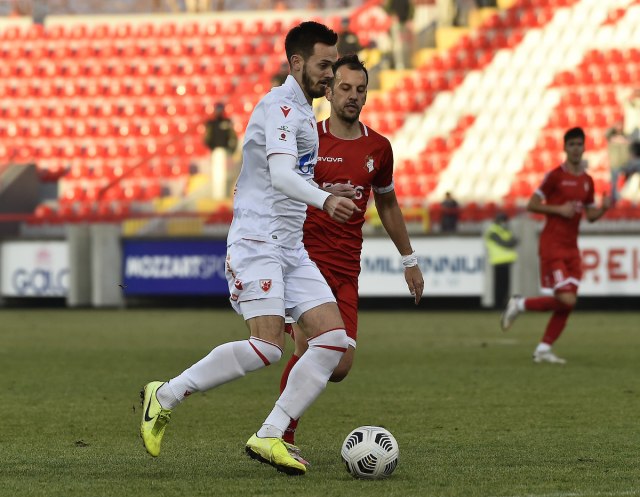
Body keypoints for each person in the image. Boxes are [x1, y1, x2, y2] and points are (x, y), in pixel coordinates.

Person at [140, 21, 360, 477]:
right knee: (268, 346)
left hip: (291, 246)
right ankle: (164, 395)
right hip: (257, 240)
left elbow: (288, 174)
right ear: (296, 62)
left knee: (333, 340)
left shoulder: (302, 115)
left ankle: (270, 434)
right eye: (323, 65)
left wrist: (323, 184)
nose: (329, 74)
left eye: (332, 64)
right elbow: (279, 176)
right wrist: (325, 199)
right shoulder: (278, 108)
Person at [278, 55, 425, 457]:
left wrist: (409, 259)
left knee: (339, 365)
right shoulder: (309, 138)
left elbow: (389, 205)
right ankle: (280, 435)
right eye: (345, 88)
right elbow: (279, 183)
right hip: (305, 262)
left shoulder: (378, 148)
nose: (353, 97)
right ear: (327, 91)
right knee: (311, 349)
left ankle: (277, 430)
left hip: (346, 269)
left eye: (360, 90)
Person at [500, 127, 611, 364]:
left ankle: (543, 349)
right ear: (565, 148)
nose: (575, 149)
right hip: (552, 246)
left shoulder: (587, 181)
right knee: (567, 299)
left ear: (584, 147)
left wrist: (603, 208)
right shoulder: (554, 176)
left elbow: (590, 215)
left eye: (579, 144)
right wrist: (558, 209)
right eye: (571, 144)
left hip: (572, 249)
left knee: (567, 302)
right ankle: (520, 304)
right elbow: (532, 204)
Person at [484, 211, 518, 309]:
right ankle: (498, 304)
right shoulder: (493, 231)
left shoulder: (505, 230)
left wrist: (511, 242)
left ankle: (504, 303)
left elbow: (512, 241)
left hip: (507, 261)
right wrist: (511, 242)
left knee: (506, 285)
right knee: (499, 285)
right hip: (498, 261)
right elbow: (507, 243)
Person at [203, 102, 238, 199]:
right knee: (218, 174)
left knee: (227, 175)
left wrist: (232, 150)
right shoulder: (211, 123)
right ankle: (218, 196)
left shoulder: (227, 122)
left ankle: (224, 196)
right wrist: (212, 148)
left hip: (226, 152)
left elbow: (233, 137)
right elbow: (207, 138)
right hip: (216, 152)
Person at [605, 120, 630, 200]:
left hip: (625, 163)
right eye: (618, 125)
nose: (619, 127)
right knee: (614, 183)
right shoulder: (611, 136)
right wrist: (613, 127)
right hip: (615, 163)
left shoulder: (625, 136)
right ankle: (614, 198)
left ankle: (627, 196)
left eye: (621, 125)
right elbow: (606, 134)